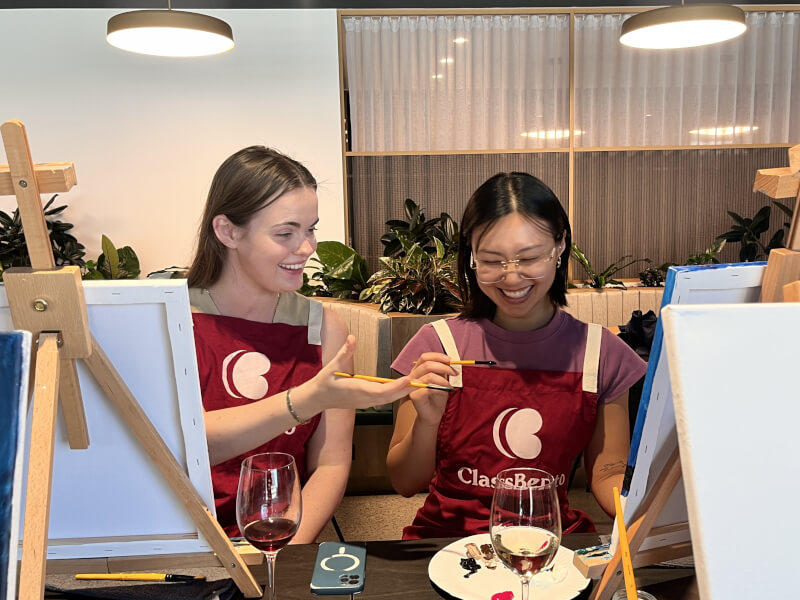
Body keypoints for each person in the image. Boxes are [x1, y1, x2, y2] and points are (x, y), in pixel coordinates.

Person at [387, 172, 647, 540]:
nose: (511, 278)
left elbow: (607, 472)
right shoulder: (437, 345)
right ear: (470, 256)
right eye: (491, 260)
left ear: (559, 247)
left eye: (528, 258)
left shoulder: (601, 353)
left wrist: (646, 511)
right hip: (447, 541)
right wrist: (427, 424)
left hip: (549, 540)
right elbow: (403, 481)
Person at [187, 146, 411, 542]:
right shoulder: (175, 321)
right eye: (285, 233)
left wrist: (286, 547)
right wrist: (304, 400)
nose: (306, 248)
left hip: (280, 536)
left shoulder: (324, 328)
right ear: (227, 231)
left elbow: (331, 462)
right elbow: (182, 447)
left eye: (310, 230)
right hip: (182, 540)